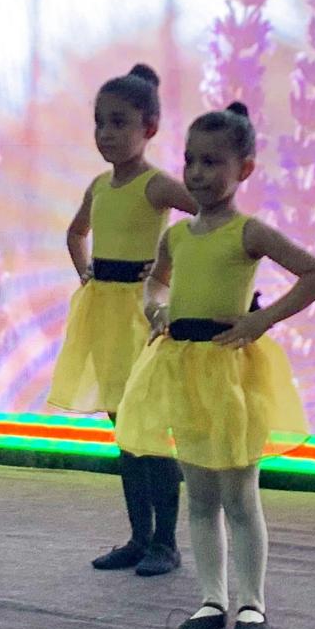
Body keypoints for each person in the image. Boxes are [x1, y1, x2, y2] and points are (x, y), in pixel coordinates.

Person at [116, 103, 315, 629]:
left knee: (239, 494)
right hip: (183, 369)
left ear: (245, 169)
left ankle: (252, 603)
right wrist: (156, 308)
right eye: (190, 160)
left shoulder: (248, 232)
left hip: (230, 375)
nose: (197, 173)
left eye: (212, 162)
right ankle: (212, 599)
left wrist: (262, 319)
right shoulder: (177, 236)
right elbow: (157, 282)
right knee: (200, 495)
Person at [49, 65, 197, 577]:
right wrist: (86, 273)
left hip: (141, 314)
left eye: (118, 123)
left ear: (149, 128)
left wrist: (171, 279)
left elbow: (209, 218)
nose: (106, 133)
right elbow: (76, 233)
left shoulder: (156, 186)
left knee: (149, 428)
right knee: (124, 428)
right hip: (105, 314)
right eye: (99, 122)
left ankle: (166, 542)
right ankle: (139, 537)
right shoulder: (99, 186)